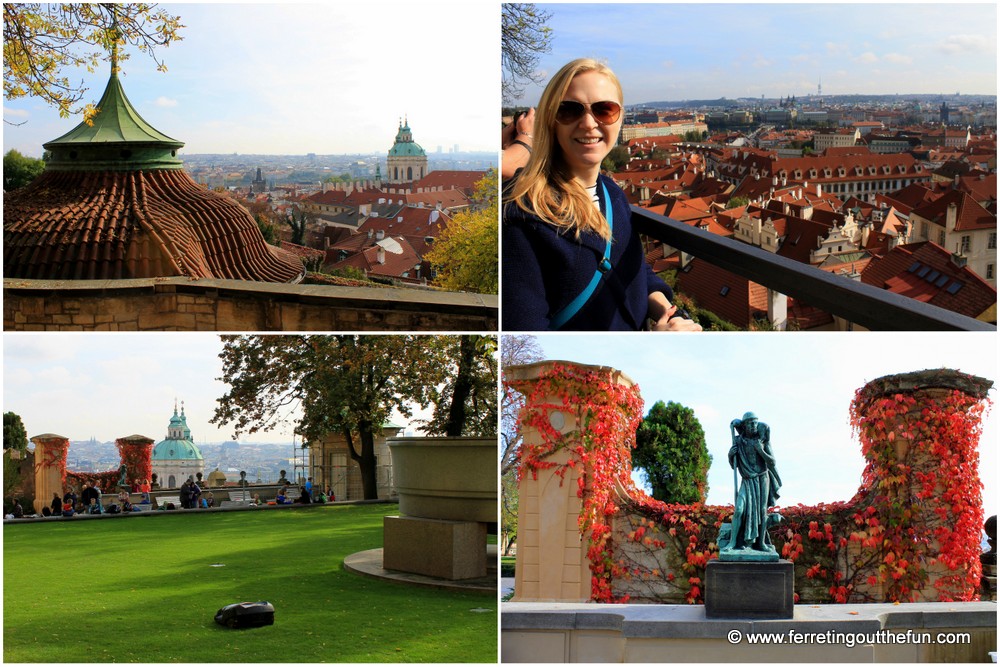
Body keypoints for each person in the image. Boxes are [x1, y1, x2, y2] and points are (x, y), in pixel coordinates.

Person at [502, 58, 702, 332]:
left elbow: (633, 268)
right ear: (551, 120)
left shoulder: (612, 194)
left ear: (619, 119)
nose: (588, 123)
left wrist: (668, 313)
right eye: (570, 110)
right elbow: (527, 334)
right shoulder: (522, 213)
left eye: (604, 110)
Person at [724, 412, 781, 554]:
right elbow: (734, 466)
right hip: (747, 480)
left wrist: (760, 450)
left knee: (762, 511)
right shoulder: (738, 441)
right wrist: (731, 456)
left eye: (755, 423)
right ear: (744, 425)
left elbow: (772, 462)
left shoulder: (762, 440)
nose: (753, 426)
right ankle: (732, 542)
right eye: (750, 423)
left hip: (762, 478)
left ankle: (761, 543)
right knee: (739, 509)